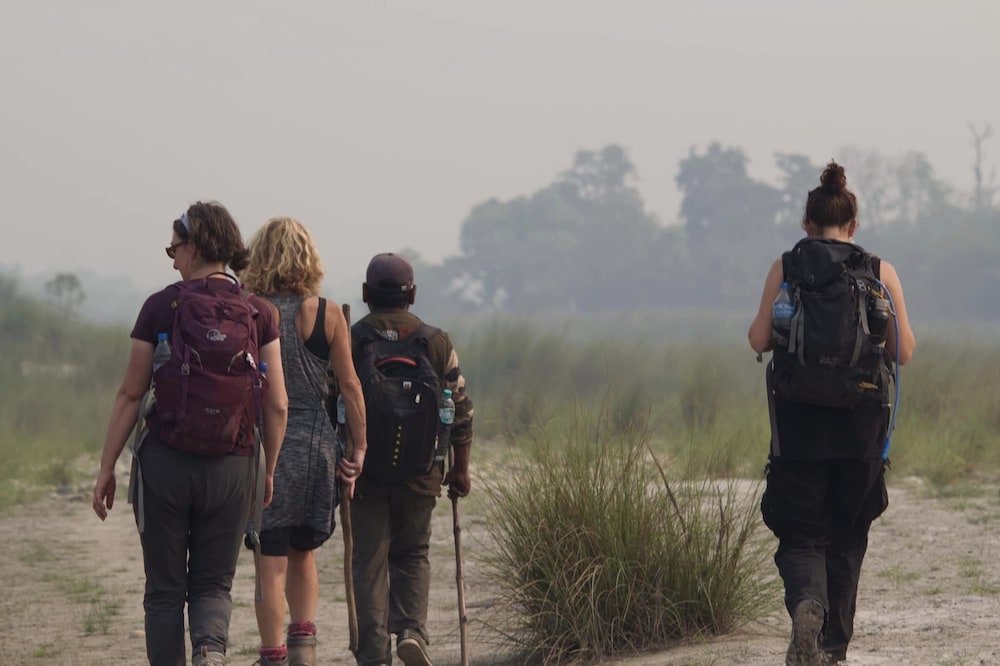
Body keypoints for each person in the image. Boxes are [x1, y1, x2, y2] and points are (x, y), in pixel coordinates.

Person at [92, 201, 289, 666]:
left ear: (194, 247)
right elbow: (278, 403)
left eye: (174, 249)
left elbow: (130, 394)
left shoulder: (161, 306)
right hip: (234, 464)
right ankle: (210, 650)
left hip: (165, 463)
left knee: (164, 589)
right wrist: (266, 471)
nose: (173, 260)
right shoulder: (258, 312)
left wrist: (107, 467)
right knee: (213, 583)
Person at [748, 162, 916, 665]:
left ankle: (807, 605)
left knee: (802, 534)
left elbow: (758, 339)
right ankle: (832, 650)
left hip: (798, 428)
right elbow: (903, 352)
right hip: (860, 430)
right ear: (853, 225)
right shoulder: (879, 271)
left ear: (807, 224)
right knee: (847, 536)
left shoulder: (786, 267)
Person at [240, 217, 368, 666]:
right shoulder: (328, 313)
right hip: (316, 447)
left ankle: (273, 656)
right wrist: (359, 448)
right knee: (303, 554)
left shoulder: (250, 309)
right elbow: (349, 386)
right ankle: (303, 654)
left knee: (268, 562)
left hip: (265, 447)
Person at [350, 252, 474, 666]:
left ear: (365, 294)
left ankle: (373, 652)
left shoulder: (353, 339)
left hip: (365, 473)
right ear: (413, 295)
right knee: (413, 553)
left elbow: (335, 402)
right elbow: (461, 409)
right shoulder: (436, 342)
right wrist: (460, 469)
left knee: (369, 561)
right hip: (422, 472)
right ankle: (411, 631)